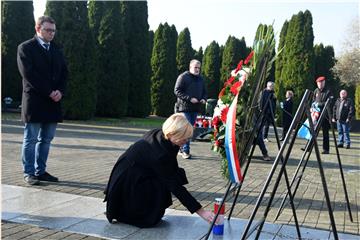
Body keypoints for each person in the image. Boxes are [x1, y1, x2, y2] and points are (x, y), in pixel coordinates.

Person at [104, 113, 216, 228]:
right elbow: (175, 186)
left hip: (131, 174)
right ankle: (131, 213)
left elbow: (171, 168)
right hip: (129, 183)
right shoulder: (159, 154)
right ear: (172, 133)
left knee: (167, 179)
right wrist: (202, 212)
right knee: (160, 187)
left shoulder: (161, 134)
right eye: (184, 138)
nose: (187, 141)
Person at [17, 16, 68, 185]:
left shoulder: (56, 49)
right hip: (35, 101)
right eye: (48, 30)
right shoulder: (26, 48)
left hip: (53, 103)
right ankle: (29, 173)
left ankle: (41, 171)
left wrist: (60, 91)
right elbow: (29, 74)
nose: (51, 33)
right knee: (31, 139)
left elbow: (64, 74)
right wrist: (49, 91)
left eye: (53, 30)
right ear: (38, 29)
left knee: (46, 140)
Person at [174, 59, 207, 159]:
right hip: (184, 108)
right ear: (190, 67)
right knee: (188, 130)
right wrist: (189, 98)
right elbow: (177, 90)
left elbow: (204, 92)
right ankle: (186, 151)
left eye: (199, 68)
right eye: (195, 67)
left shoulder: (201, 79)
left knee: (189, 130)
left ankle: (180, 149)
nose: (197, 70)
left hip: (195, 108)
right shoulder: (183, 77)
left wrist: (203, 99)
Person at [302, 76, 332, 154]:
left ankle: (326, 149)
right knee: (312, 131)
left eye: (321, 83)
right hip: (316, 115)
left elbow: (329, 103)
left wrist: (318, 104)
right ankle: (308, 147)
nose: (320, 84)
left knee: (325, 133)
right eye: (318, 83)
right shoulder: (316, 91)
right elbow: (313, 101)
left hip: (325, 115)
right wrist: (312, 108)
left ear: (324, 82)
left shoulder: (328, 91)